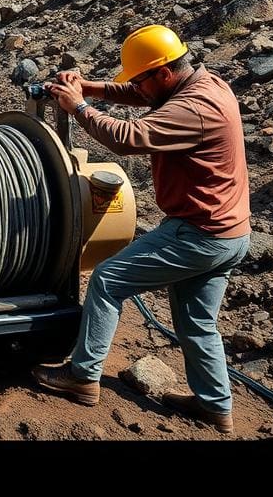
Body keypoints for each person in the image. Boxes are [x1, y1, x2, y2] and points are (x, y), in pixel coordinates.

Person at [32, 24, 251, 434]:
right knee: (197, 322)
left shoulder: (195, 108)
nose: (136, 87)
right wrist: (89, 87)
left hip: (199, 233)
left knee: (108, 279)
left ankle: (82, 377)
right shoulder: (204, 83)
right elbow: (141, 95)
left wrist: (79, 107)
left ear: (164, 73)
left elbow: (128, 138)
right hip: (230, 233)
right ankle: (215, 407)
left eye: (140, 78)